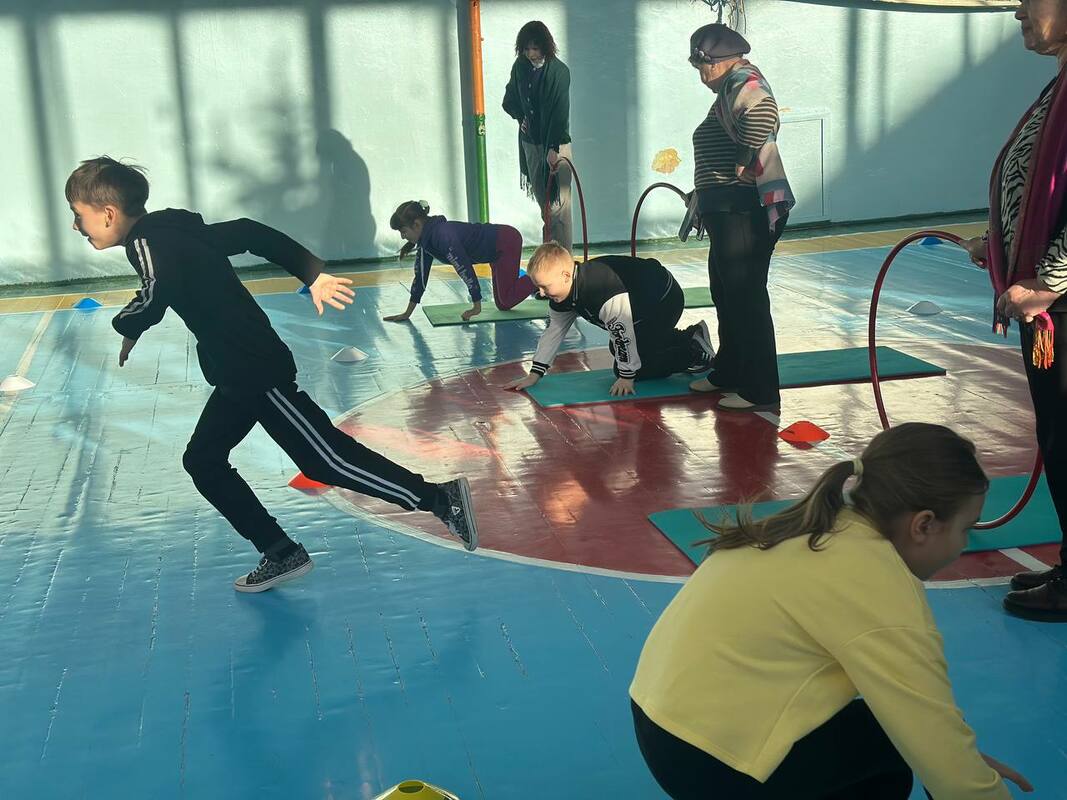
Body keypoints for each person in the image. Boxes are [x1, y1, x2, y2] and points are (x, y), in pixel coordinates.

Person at [65, 157, 479, 593]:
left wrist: (127, 324)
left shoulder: (147, 242)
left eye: (78, 215)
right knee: (203, 461)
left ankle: (440, 499)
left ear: (108, 213)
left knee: (325, 460)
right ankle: (280, 551)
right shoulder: (175, 233)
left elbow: (155, 289)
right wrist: (311, 272)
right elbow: (248, 232)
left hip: (253, 368)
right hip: (235, 373)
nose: (76, 225)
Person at [630, 423, 1033, 799]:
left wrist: (951, 759)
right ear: (923, 525)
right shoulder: (874, 580)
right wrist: (959, 771)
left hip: (662, 725)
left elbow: (923, 730)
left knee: (890, 738)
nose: (964, 544)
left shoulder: (822, 526)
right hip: (709, 762)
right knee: (892, 755)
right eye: (966, 528)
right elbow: (933, 735)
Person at [958, 0, 1067, 621]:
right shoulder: (1057, 87)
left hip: (1058, 302)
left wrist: (1049, 281)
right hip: (1052, 306)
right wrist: (999, 242)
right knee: (1058, 434)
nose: (1019, 10)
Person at [683, 24, 794, 412]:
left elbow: (764, 112)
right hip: (726, 209)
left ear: (720, 61)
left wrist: (744, 162)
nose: (702, 75)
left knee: (746, 298)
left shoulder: (742, 79)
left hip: (741, 210)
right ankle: (729, 370)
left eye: (702, 67)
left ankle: (760, 389)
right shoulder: (729, 88)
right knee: (725, 292)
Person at [508, 242, 715, 397]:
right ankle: (691, 336)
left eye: (545, 286)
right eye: (538, 287)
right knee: (620, 350)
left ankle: (693, 353)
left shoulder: (600, 288)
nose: (541, 293)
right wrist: (535, 374)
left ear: (565, 276)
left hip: (663, 299)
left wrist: (626, 376)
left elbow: (622, 332)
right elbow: (554, 331)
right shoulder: (562, 294)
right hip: (641, 306)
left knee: (634, 367)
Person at [385, 200, 533, 323]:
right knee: (503, 304)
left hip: (506, 241)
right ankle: (533, 278)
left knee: (506, 300)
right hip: (495, 253)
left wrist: (476, 305)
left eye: (403, 231)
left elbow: (463, 267)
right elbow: (420, 278)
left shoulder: (443, 235)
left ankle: (539, 276)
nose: (403, 237)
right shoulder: (426, 242)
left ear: (417, 224)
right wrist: (407, 313)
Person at [502, 21, 574, 252]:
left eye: (535, 48)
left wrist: (553, 148)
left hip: (556, 143)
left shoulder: (559, 72)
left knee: (560, 208)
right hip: (531, 143)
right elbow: (509, 99)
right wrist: (520, 116)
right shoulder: (520, 67)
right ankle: (551, 256)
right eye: (526, 49)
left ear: (545, 46)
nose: (531, 54)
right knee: (546, 207)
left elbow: (560, 113)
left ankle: (564, 257)